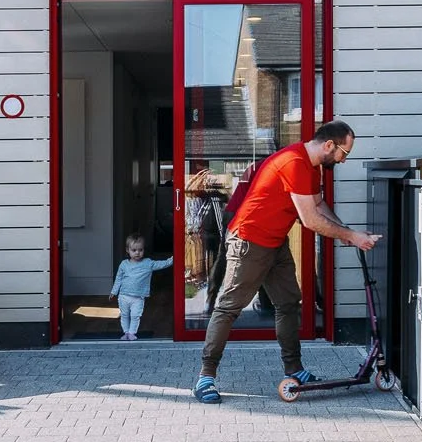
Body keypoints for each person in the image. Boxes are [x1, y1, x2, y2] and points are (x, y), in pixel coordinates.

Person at [194, 118, 377, 404]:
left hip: (275, 242)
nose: (343, 160)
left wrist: (345, 232)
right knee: (229, 308)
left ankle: (295, 370)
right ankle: (205, 377)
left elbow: (318, 205)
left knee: (289, 303)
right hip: (249, 241)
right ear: (329, 145)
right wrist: (351, 236)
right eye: (344, 153)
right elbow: (310, 219)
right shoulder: (293, 161)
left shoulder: (310, 166)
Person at [111, 235, 174, 341]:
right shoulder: (124, 264)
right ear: (128, 250)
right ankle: (126, 332)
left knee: (135, 316)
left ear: (144, 250)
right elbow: (119, 278)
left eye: (140, 250)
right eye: (134, 250)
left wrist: (173, 259)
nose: (137, 253)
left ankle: (132, 333)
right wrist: (114, 291)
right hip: (123, 296)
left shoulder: (147, 263)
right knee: (124, 315)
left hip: (138, 297)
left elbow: (161, 264)